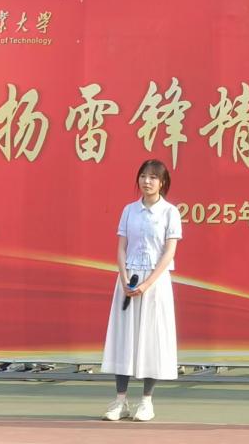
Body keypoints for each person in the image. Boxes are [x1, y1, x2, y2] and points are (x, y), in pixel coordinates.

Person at [100, 159, 183, 422]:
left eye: (153, 177)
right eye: (143, 176)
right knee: (124, 337)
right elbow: (121, 247)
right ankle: (120, 401)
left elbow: (169, 252)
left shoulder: (170, 212)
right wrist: (126, 279)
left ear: (163, 182)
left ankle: (146, 401)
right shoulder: (129, 211)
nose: (147, 181)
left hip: (156, 283)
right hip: (128, 280)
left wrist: (147, 285)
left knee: (151, 339)